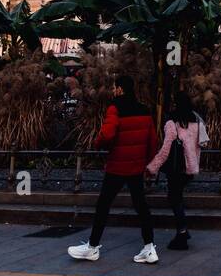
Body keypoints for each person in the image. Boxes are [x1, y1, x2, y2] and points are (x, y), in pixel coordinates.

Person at [68, 75, 159, 264]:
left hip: (117, 166)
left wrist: (97, 143)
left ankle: (92, 247)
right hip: (136, 166)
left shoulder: (115, 108)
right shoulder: (144, 110)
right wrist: (147, 162)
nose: (114, 90)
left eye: (116, 87)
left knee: (103, 205)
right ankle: (149, 248)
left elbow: (107, 134)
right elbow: (153, 141)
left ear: (120, 89)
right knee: (141, 206)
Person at [145, 91, 201, 250]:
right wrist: (194, 163)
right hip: (189, 167)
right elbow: (199, 145)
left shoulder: (171, 121)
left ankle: (182, 234)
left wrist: (153, 166)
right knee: (177, 197)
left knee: (174, 199)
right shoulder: (196, 120)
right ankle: (183, 231)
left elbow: (166, 149)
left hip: (176, 168)